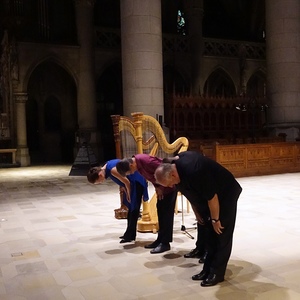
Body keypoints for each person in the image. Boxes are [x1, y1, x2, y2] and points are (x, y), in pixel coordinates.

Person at [154, 151, 242, 287]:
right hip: (208, 198)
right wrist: (197, 213)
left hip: (225, 194)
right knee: (208, 234)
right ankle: (207, 270)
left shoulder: (194, 170)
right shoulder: (174, 170)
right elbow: (190, 194)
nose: (171, 186)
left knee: (221, 233)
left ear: (172, 174)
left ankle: (217, 273)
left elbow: (212, 197)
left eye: (169, 183)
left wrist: (215, 220)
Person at [116, 154, 177, 254]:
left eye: (130, 172)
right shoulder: (138, 165)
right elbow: (153, 177)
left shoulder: (147, 162)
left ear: (131, 166)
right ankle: (160, 239)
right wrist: (157, 187)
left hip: (169, 187)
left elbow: (165, 171)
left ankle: (165, 243)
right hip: (162, 189)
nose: (132, 173)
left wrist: (161, 187)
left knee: (166, 215)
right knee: (161, 212)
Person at [87, 159, 148, 243]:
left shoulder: (112, 170)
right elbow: (124, 183)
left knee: (134, 209)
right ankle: (129, 234)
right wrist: (127, 194)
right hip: (132, 184)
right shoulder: (106, 166)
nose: (101, 182)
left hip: (136, 182)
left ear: (100, 174)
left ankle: (130, 236)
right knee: (131, 209)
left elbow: (127, 182)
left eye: (99, 181)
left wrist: (129, 195)